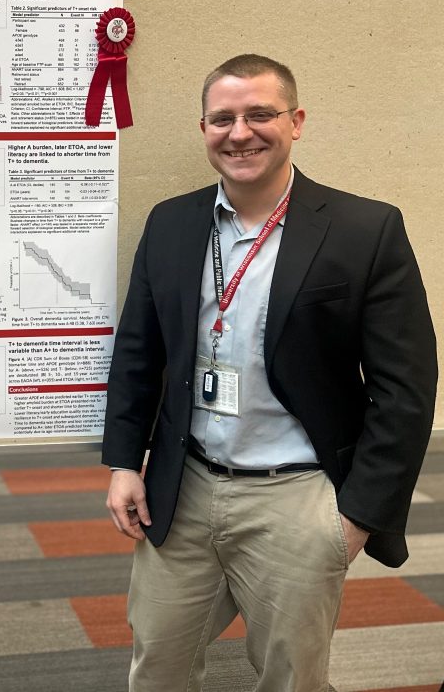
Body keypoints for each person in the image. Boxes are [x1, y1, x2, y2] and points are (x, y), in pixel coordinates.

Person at [102, 54, 436, 691]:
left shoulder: (365, 229)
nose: (240, 133)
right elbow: (138, 351)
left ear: (296, 121)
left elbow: (406, 390)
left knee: (291, 678)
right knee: (157, 667)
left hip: (299, 495)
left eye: (260, 114)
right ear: (204, 129)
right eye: (222, 118)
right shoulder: (171, 222)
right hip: (185, 485)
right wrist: (123, 463)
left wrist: (356, 518)